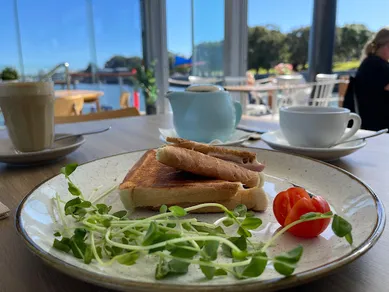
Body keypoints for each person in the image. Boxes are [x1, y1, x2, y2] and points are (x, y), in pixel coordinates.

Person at [351, 27, 389, 131]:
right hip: (379, 125)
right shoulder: (378, 65)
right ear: (385, 45)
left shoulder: (369, 62)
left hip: (369, 121)